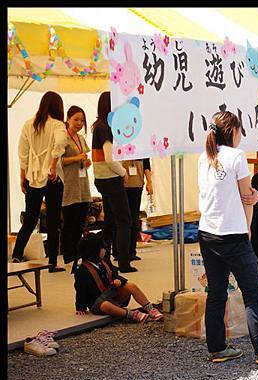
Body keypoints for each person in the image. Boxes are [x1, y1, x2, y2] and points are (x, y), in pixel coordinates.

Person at [198, 111, 258, 364]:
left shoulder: (204, 156)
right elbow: (246, 197)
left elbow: (233, 193)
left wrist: (251, 197)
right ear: (233, 131)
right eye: (240, 130)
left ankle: (217, 348)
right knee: (253, 293)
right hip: (233, 233)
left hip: (207, 233)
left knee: (216, 293)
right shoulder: (236, 156)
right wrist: (249, 225)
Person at [13, 91, 68, 272]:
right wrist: (52, 166)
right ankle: (53, 262)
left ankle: (17, 255)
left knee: (29, 219)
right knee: (53, 221)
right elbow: (60, 145)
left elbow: (23, 152)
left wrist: (23, 176)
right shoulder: (58, 125)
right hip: (52, 178)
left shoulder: (29, 124)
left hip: (32, 176)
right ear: (58, 107)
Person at [73, 232, 163, 323]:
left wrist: (118, 280)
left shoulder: (105, 262)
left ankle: (150, 309)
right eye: (102, 248)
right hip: (97, 302)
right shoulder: (82, 270)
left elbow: (115, 274)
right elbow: (80, 289)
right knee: (105, 306)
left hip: (112, 294)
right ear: (93, 251)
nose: (105, 250)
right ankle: (132, 315)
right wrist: (80, 307)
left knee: (131, 286)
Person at [91, 92, 136, 273]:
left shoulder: (98, 126)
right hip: (110, 179)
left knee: (110, 221)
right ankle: (124, 262)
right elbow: (110, 159)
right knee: (125, 220)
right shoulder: (105, 128)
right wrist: (123, 172)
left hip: (101, 179)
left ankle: (105, 258)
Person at [61, 106, 92, 266]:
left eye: (82, 120)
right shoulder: (62, 138)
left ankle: (78, 253)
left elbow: (86, 160)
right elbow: (58, 161)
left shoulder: (81, 138)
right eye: (76, 119)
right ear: (68, 119)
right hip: (69, 184)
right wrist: (76, 158)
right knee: (69, 222)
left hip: (82, 184)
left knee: (80, 222)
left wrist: (86, 161)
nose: (79, 123)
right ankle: (68, 254)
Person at [115, 158, 153, 262]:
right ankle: (119, 252)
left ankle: (131, 251)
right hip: (122, 185)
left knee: (134, 220)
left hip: (137, 185)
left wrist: (149, 182)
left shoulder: (142, 147)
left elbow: (146, 166)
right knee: (122, 220)